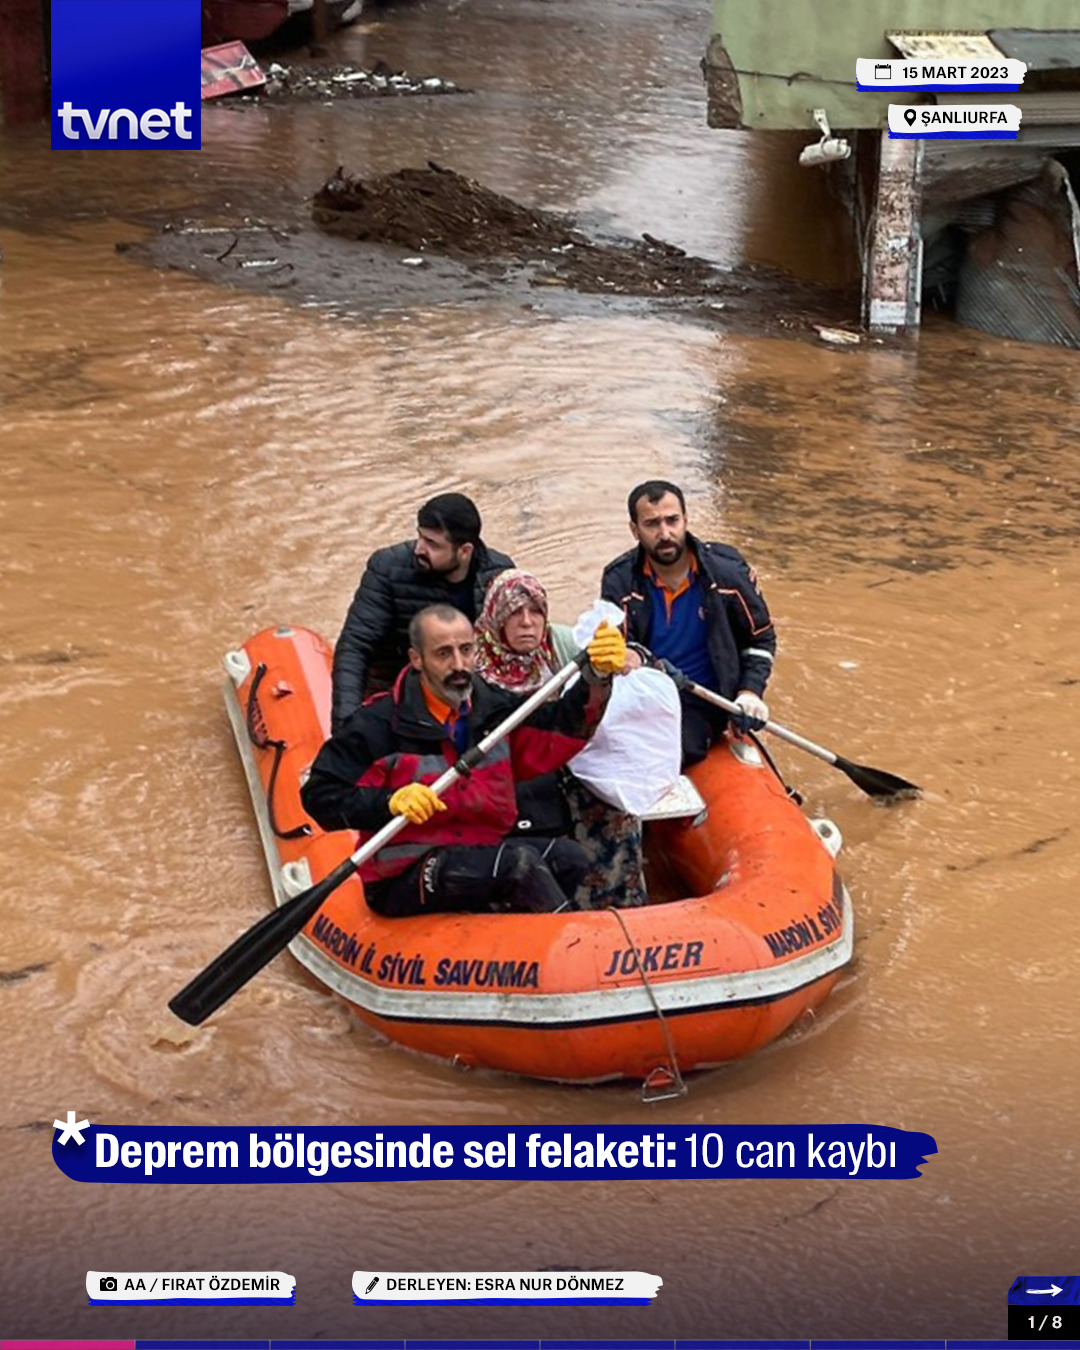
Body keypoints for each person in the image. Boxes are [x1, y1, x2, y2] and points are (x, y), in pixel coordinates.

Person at [301, 603, 627, 917]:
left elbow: (559, 735)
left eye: (466, 650)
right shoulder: (376, 726)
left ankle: (535, 941)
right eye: (444, 653)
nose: (459, 664)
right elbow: (320, 795)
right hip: (407, 870)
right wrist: (389, 802)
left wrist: (595, 677)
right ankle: (568, 948)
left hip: (477, 852)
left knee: (571, 858)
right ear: (417, 659)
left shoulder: (494, 711)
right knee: (520, 865)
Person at [473, 569, 647, 908]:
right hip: (510, 769)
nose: (527, 622)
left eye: (535, 611)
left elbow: (618, 667)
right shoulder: (474, 668)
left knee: (617, 811)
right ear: (497, 617)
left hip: (567, 757)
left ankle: (615, 903)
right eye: (515, 613)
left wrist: (629, 658)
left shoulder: (562, 645)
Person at [601, 479, 776, 767]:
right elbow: (618, 647)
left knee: (671, 750)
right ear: (634, 530)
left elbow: (761, 639)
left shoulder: (728, 574)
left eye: (672, 520)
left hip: (707, 701)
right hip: (648, 696)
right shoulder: (618, 580)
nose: (665, 533)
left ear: (686, 519)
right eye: (652, 524)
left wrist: (750, 692)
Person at [331, 492, 513, 734]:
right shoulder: (387, 568)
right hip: (394, 688)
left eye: (433, 544)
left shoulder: (499, 575)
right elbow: (355, 646)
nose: (419, 549)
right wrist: (347, 725)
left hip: (465, 687)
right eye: (420, 537)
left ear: (465, 551)